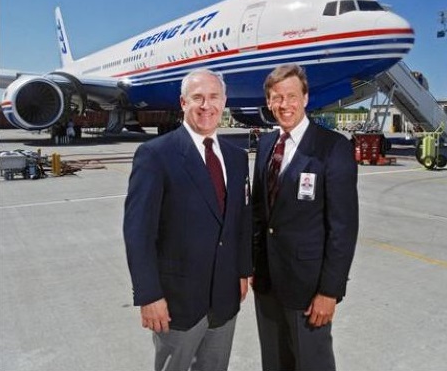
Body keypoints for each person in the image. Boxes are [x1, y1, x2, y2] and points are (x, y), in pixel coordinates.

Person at [123, 68, 252, 371]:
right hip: (176, 301)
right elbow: (138, 233)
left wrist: (244, 271)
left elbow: (241, 221)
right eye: (198, 98)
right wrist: (149, 294)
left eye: (214, 97)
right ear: (183, 103)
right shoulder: (155, 155)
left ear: (224, 101)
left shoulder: (236, 157)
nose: (206, 106)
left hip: (224, 297)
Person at [252, 64, 359, 371]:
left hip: (309, 289)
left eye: (291, 96)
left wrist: (330, 291)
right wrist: (248, 269)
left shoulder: (332, 147)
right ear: (269, 102)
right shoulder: (265, 145)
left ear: (306, 97)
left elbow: (343, 228)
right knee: (274, 362)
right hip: (267, 282)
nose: (284, 105)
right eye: (276, 98)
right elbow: (259, 216)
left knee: (312, 363)